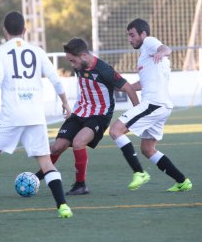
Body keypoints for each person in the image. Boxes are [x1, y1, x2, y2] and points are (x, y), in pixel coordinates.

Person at [0, 11, 73, 220]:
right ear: (25, 30)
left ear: (4, 31)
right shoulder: (37, 51)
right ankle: (63, 206)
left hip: (11, 115)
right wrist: (66, 103)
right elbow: (56, 79)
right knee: (46, 162)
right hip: (35, 115)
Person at [35, 38, 139, 195]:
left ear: (83, 55)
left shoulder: (105, 70)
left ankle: (80, 185)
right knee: (56, 147)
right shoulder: (80, 65)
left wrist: (135, 115)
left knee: (78, 142)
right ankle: (36, 179)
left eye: (73, 60)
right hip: (80, 113)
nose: (72, 64)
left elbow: (129, 88)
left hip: (99, 116)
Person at [109, 18, 192, 192]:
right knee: (147, 149)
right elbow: (144, 83)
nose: (130, 39)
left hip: (153, 104)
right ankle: (182, 181)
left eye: (132, 35)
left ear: (143, 34)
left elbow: (165, 48)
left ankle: (139, 173)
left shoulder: (149, 42)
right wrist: (128, 88)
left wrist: (162, 52)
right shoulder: (145, 57)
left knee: (115, 131)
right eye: (128, 36)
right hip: (162, 107)